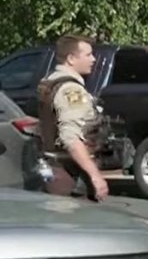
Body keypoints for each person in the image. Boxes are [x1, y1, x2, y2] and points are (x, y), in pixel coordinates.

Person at [37, 35, 109, 201]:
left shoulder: (50, 82)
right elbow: (70, 138)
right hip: (69, 174)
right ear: (71, 59)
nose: (93, 59)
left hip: (52, 169)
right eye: (88, 55)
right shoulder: (70, 90)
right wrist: (95, 175)